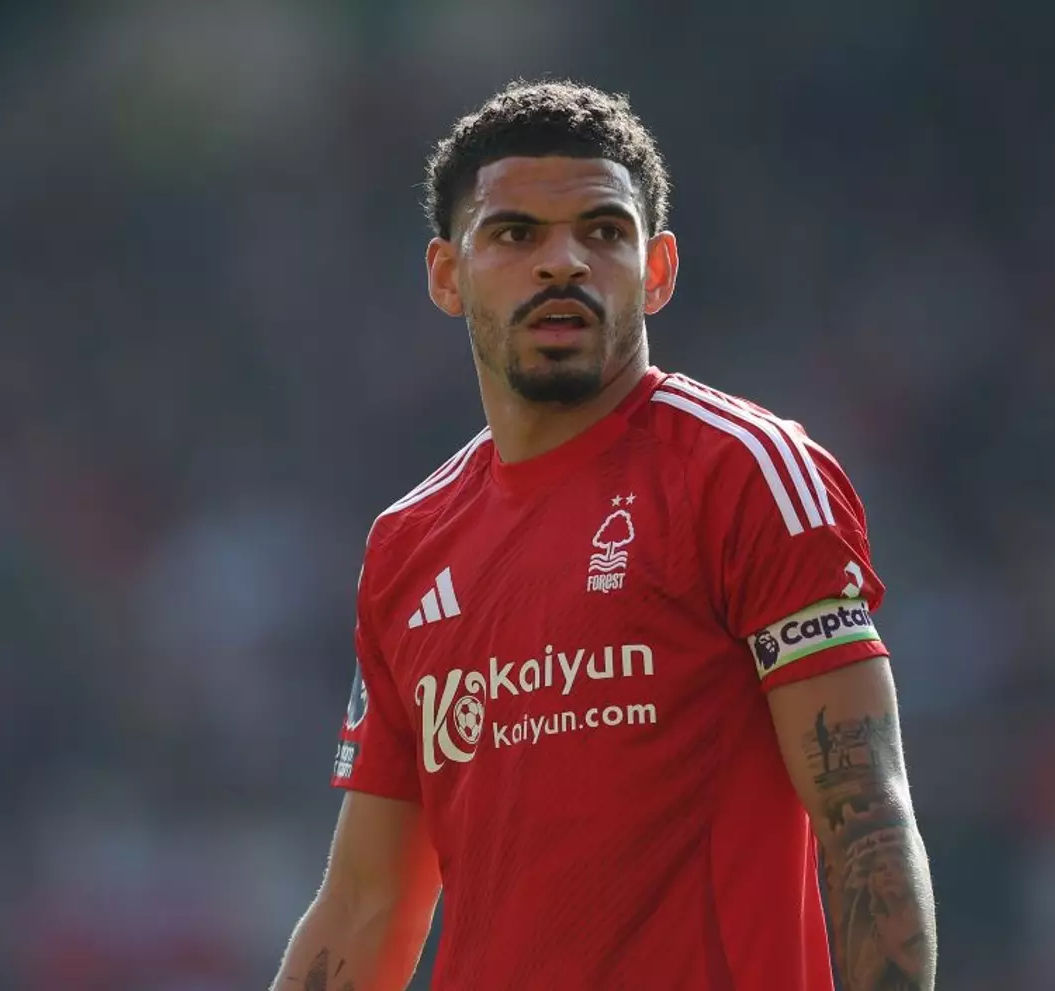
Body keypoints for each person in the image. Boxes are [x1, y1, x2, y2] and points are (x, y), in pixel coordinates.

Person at [271, 79, 937, 991]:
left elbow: (865, 819)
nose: (563, 263)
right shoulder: (406, 546)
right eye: (515, 234)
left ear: (656, 269)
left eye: (603, 231)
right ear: (445, 274)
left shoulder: (747, 473)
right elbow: (364, 909)